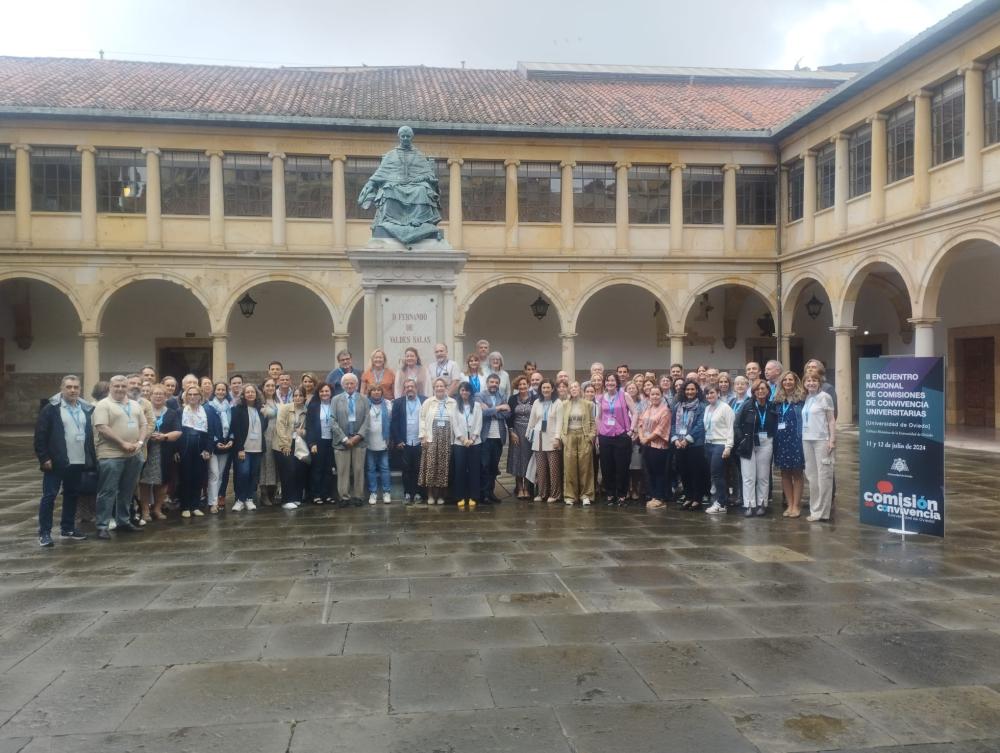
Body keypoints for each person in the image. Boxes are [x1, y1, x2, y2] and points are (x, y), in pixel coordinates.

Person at [33, 375, 95, 546]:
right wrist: (44, 457)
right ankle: (44, 533)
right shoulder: (51, 409)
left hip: (78, 460)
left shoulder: (85, 408)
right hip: (56, 461)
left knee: (72, 495)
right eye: (69, 387)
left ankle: (67, 528)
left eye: (76, 387)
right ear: (62, 388)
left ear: (80, 389)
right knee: (49, 496)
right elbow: (40, 435)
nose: (73, 390)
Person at [358, 125, 443, 246]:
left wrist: (422, 178)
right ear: (399, 137)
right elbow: (381, 172)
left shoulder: (418, 155)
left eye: (408, 136)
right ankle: (391, 221)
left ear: (411, 137)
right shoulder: (391, 154)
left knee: (422, 190)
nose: (405, 138)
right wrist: (371, 183)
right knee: (388, 190)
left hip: (415, 184)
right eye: (403, 136)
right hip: (395, 184)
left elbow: (430, 175)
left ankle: (419, 221)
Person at [93, 375, 148, 540]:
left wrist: (139, 442)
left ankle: (123, 521)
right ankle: (102, 525)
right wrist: (122, 443)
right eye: (116, 386)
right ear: (110, 387)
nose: (120, 389)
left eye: (123, 386)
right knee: (108, 491)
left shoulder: (134, 404)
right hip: (111, 455)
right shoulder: (104, 405)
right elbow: (102, 427)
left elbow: (143, 424)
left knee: (127, 490)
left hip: (133, 454)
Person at [734, 380, 777, 517]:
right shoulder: (747, 405)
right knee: (748, 476)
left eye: (763, 388)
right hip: (749, 443)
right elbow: (736, 424)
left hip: (766, 443)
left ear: (768, 391)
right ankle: (749, 505)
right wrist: (742, 439)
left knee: (763, 476)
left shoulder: (772, 406)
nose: (760, 391)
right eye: (757, 389)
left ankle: (762, 504)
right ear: (753, 392)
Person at [139, 383, 181, 522]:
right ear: (150, 396)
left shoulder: (172, 413)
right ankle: (145, 510)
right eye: (155, 394)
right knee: (144, 482)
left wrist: (164, 436)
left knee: (162, 482)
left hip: (164, 451)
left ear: (166, 397)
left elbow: (178, 431)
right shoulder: (143, 411)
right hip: (146, 451)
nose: (158, 396)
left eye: (161, 394)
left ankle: (157, 509)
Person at [596, 373, 635, 506]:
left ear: (617, 382)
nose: (610, 383)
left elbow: (635, 413)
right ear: (604, 383)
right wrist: (598, 434)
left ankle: (622, 494)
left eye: (612, 380)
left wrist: (631, 430)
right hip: (605, 435)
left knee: (622, 467)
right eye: (607, 381)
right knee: (607, 467)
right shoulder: (601, 398)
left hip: (621, 435)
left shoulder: (624, 395)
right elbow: (599, 417)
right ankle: (610, 494)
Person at [802, 370, 836, 522]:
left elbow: (831, 420)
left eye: (814, 380)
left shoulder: (825, 397)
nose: (811, 383)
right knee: (812, 477)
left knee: (824, 477)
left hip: (822, 440)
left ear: (819, 382)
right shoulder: (808, 398)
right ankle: (814, 509)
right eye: (808, 381)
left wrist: (832, 440)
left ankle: (823, 512)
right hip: (807, 440)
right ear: (804, 384)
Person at [331, 373, 369, 505]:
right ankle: (344, 497)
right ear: (342, 385)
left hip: (359, 441)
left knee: (359, 470)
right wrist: (344, 438)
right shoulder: (335, 399)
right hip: (342, 442)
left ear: (357, 385)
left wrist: (358, 436)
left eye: (352, 383)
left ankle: (358, 496)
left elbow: (367, 420)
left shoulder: (364, 399)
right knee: (342, 471)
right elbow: (332, 421)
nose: (349, 385)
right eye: (346, 383)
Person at [773, 370, 806, 518]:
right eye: (785, 380)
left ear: (795, 382)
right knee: (785, 473)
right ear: (781, 383)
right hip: (781, 440)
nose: (787, 382)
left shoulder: (802, 399)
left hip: (797, 439)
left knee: (797, 473)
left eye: (790, 380)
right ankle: (789, 504)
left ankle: (796, 506)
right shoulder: (777, 400)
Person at [176, 385, 212, 518]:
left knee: (198, 477)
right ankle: (185, 506)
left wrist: (208, 449)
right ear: (186, 396)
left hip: (200, 448)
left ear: (200, 396)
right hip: (184, 448)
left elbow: (210, 431)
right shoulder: (180, 411)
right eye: (189, 394)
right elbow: (177, 431)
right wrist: (176, 450)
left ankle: (195, 505)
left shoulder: (206, 411)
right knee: (185, 477)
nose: (192, 397)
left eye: (195, 394)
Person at [670, 380, 707, 510]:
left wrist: (687, 439)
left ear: (697, 391)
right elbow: (673, 424)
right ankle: (688, 496)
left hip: (695, 445)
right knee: (684, 472)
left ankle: (697, 498)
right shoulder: (678, 406)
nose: (690, 392)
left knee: (695, 472)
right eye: (687, 389)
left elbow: (700, 425)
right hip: (679, 444)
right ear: (683, 391)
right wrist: (675, 439)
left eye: (692, 389)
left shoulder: (702, 406)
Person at [419, 377, 455, 505]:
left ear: (446, 388)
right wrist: (423, 436)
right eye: (437, 386)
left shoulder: (452, 402)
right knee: (430, 466)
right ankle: (430, 495)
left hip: (447, 437)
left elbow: (457, 421)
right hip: (431, 437)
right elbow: (422, 419)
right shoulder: (428, 402)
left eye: (442, 386)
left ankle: (441, 495)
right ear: (434, 388)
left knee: (443, 467)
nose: (439, 388)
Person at [231, 383, 266, 512]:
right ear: (243, 395)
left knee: (253, 474)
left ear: (256, 395)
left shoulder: (260, 409)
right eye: (247, 392)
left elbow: (264, 427)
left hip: (257, 447)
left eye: (253, 392)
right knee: (243, 473)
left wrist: (265, 415)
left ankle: (249, 498)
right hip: (244, 448)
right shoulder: (238, 409)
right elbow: (236, 430)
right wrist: (240, 448)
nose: (250, 394)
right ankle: (240, 499)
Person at [390, 377, 426, 504]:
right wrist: (398, 440)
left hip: (420, 441)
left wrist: (426, 438)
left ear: (416, 388)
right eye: (407, 387)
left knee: (418, 469)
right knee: (405, 470)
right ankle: (407, 493)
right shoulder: (398, 403)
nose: (409, 389)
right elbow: (393, 423)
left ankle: (417, 493)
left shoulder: (425, 401)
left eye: (412, 386)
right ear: (404, 389)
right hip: (404, 442)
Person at [526, 379, 562, 503]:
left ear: (552, 389)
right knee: (540, 469)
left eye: (548, 387)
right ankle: (541, 493)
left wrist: (557, 437)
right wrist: (528, 434)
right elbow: (532, 420)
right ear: (541, 389)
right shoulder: (537, 402)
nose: (546, 390)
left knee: (553, 469)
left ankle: (555, 494)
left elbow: (559, 422)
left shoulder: (558, 403)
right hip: (538, 439)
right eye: (543, 388)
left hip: (552, 440)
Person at [274, 387, 309, 510]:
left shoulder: (306, 410)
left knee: (299, 470)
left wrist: (303, 432)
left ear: (305, 397)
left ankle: (297, 497)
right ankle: (287, 499)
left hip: (299, 444)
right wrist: (285, 445)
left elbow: (308, 429)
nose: (297, 398)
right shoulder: (285, 408)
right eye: (295, 395)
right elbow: (280, 426)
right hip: (283, 444)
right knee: (288, 470)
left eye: (300, 395)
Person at [637, 384, 672, 510]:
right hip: (646, 445)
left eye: (657, 394)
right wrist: (641, 437)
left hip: (659, 446)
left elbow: (660, 429)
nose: (655, 396)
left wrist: (646, 439)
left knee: (659, 473)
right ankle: (653, 496)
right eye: (652, 394)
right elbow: (640, 423)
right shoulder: (647, 408)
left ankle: (660, 497)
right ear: (649, 396)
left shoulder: (665, 410)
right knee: (650, 472)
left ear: (662, 395)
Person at [561, 381, 595, 506]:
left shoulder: (588, 404)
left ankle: (586, 495)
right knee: (569, 467)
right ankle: (570, 495)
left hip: (583, 436)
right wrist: (562, 437)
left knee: (585, 467)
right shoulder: (564, 404)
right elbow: (560, 422)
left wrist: (591, 436)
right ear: (568, 390)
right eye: (571, 387)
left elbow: (592, 422)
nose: (573, 389)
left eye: (576, 387)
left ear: (580, 389)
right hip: (569, 436)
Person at [702, 385, 735, 515]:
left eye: (712, 393)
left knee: (717, 474)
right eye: (707, 394)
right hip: (709, 444)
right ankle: (720, 499)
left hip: (720, 444)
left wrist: (728, 447)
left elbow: (730, 428)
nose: (709, 396)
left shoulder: (725, 408)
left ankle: (721, 503)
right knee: (714, 474)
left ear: (718, 393)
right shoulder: (707, 408)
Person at [477, 373, 509, 503]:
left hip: (498, 437)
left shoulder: (502, 396)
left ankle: (491, 493)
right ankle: (483, 494)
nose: (494, 384)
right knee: (484, 466)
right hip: (485, 437)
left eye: (496, 382)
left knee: (493, 467)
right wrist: (499, 408)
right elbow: (482, 413)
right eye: (492, 382)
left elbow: (507, 414)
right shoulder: (480, 396)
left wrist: (492, 410)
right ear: (487, 383)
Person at [451, 381, 483, 508]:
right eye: (462, 390)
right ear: (459, 392)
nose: (465, 392)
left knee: (474, 470)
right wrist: (463, 439)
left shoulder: (477, 406)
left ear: (471, 392)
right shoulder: (455, 406)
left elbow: (479, 423)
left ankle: (473, 496)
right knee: (460, 470)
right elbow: (454, 424)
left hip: (475, 443)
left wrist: (473, 438)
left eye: (467, 390)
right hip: (460, 443)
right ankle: (460, 497)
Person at [204, 382, 234, 514]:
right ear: (214, 391)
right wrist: (215, 441)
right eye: (218, 389)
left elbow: (233, 426)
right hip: (213, 446)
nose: (221, 392)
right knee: (214, 474)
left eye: (223, 390)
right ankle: (213, 503)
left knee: (221, 475)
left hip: (226, 445)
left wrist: (231, 439)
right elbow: (207, 427)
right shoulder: (208, 407)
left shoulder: (230, 407)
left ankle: (215, 499)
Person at [306, 383, 336, 504]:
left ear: (331, 392)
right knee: (317, 469)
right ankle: (316, 495)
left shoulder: (335, 405)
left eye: (327, 391)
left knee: (329, 469)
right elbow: (309, 426)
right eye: (322, 391)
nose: (324, 393)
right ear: (318, 393)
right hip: (318, 441)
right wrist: (312, 443)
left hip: (332, 441)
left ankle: (327, 494)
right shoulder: (313, 406)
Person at [506, 374, 535, 499]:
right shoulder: (512, 399)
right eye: (520, 385)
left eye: (524, 384)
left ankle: (527, 488)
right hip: (516, 432)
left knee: (528, 460)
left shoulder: (535, 398)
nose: (522, 386)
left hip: (530, 433)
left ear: (528, 385)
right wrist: (511, 432)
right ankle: (519, 487)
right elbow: (509, 417)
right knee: (517, 459)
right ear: (517, 386)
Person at [365, 384, 392, 504]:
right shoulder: (365, 403)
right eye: (373, 390)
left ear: (382, 392)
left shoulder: (387, 404)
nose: (376, 392)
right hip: (369, 441)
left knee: (385, 468)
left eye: (378, 390)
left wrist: (389, 438)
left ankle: (386, 492)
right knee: (371, 468)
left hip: (383, 440)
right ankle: (373, 493)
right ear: (370, 392)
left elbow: (391, 421)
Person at [258, 378, 280, 506]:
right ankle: (264, 494)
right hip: (265, 435)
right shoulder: (260, 402)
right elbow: (267, 414)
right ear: (263, 387)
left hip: (277, 436)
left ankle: (273, 492)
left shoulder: (278, 400)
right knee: (265, 465)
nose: (270, 388)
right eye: (268, 385)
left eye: (272, 385)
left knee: (275, 464)